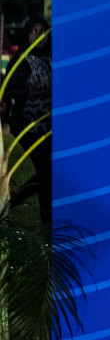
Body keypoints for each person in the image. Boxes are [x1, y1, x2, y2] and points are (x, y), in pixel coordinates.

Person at [3, 17, 51, 222]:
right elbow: (8, 88)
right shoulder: (21, 60)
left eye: (43, 31)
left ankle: (14, 203)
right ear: (27, 34)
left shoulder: (52, 59)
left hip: (51, 126)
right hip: (29, 126)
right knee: (44, 169)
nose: (39, 36)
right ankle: (44, 215)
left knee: (47, 171)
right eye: (34, 31)